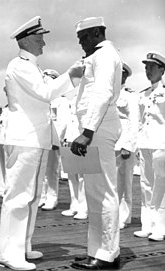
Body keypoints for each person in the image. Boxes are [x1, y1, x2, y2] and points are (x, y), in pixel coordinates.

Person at [0, 16, 85, 271]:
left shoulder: (31, 67)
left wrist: (71, 79)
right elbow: (47, 93)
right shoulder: (20, 66)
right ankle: (7, 254)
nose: (44, 43)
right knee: (18, 196)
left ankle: (21, 247)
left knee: (31, 196)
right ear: (28, 40)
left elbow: (53, 92)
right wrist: (71, 74)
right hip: (25, 140)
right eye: (40, 38)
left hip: (35, 140)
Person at [70, 17, 122, 270]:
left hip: (98, 128)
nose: (81, 43)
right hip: (94, 128)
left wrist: (88, 131)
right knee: (94, 192)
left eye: (83, 38)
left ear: (96, 33)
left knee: (104, 192)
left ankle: (106, 255)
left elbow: (102, 92)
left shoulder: (104, 55)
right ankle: (98, 250)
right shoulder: (99, 55)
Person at [134, 52, 165, 241]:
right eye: (146, 67)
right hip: (145, 143)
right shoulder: (143, 94)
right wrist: (137, 144)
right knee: (146, 185)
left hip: (161, 144)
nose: (148, 71)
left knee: (161, 186)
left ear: (162, 70)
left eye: (152, 67)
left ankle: (160, 227)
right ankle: (147, 225)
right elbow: (140, 122)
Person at [39, 68, 71, 210]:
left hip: (52, 140)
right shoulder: (44, 100)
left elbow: (62, 122)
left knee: (51, 170)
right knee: (42, 170)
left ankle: (52, 198)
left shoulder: (61, 101)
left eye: (47, 78)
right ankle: (43, 196)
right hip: (42, 139)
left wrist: (55, 140)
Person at [115, 62, 139, 229]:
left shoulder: (130, 95)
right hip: (109, 145)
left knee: (124, 182)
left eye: (121, 74)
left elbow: (134, 121)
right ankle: (113, 214)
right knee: (111, 183)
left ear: (125, 76)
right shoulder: (108, 93)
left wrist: (128, 146)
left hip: (123, 145)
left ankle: (124, 217)